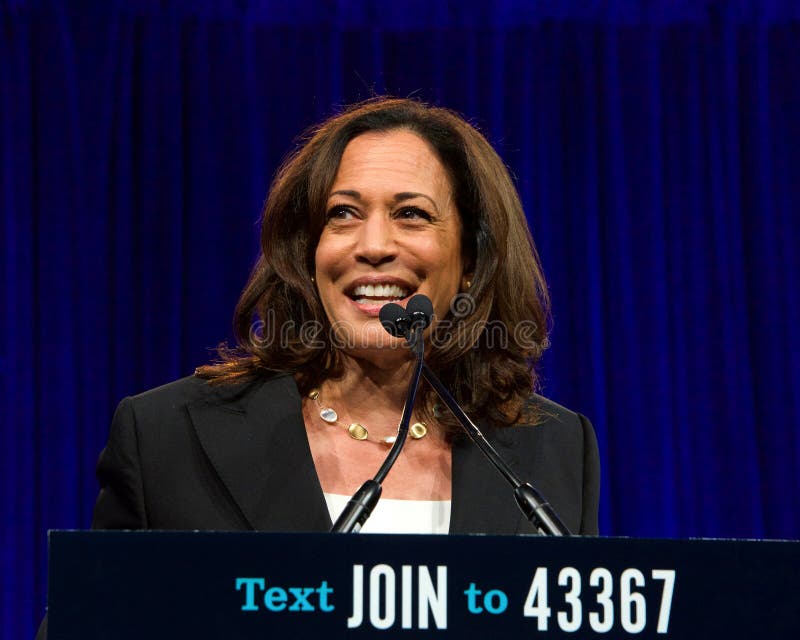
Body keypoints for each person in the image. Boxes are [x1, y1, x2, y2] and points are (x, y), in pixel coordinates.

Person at [100, 97, 600, 537]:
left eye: (411, 214)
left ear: (470, 262)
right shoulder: (165, 438)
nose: (374, 246)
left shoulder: (554, 448)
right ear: (307, 251)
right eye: (342, 213)